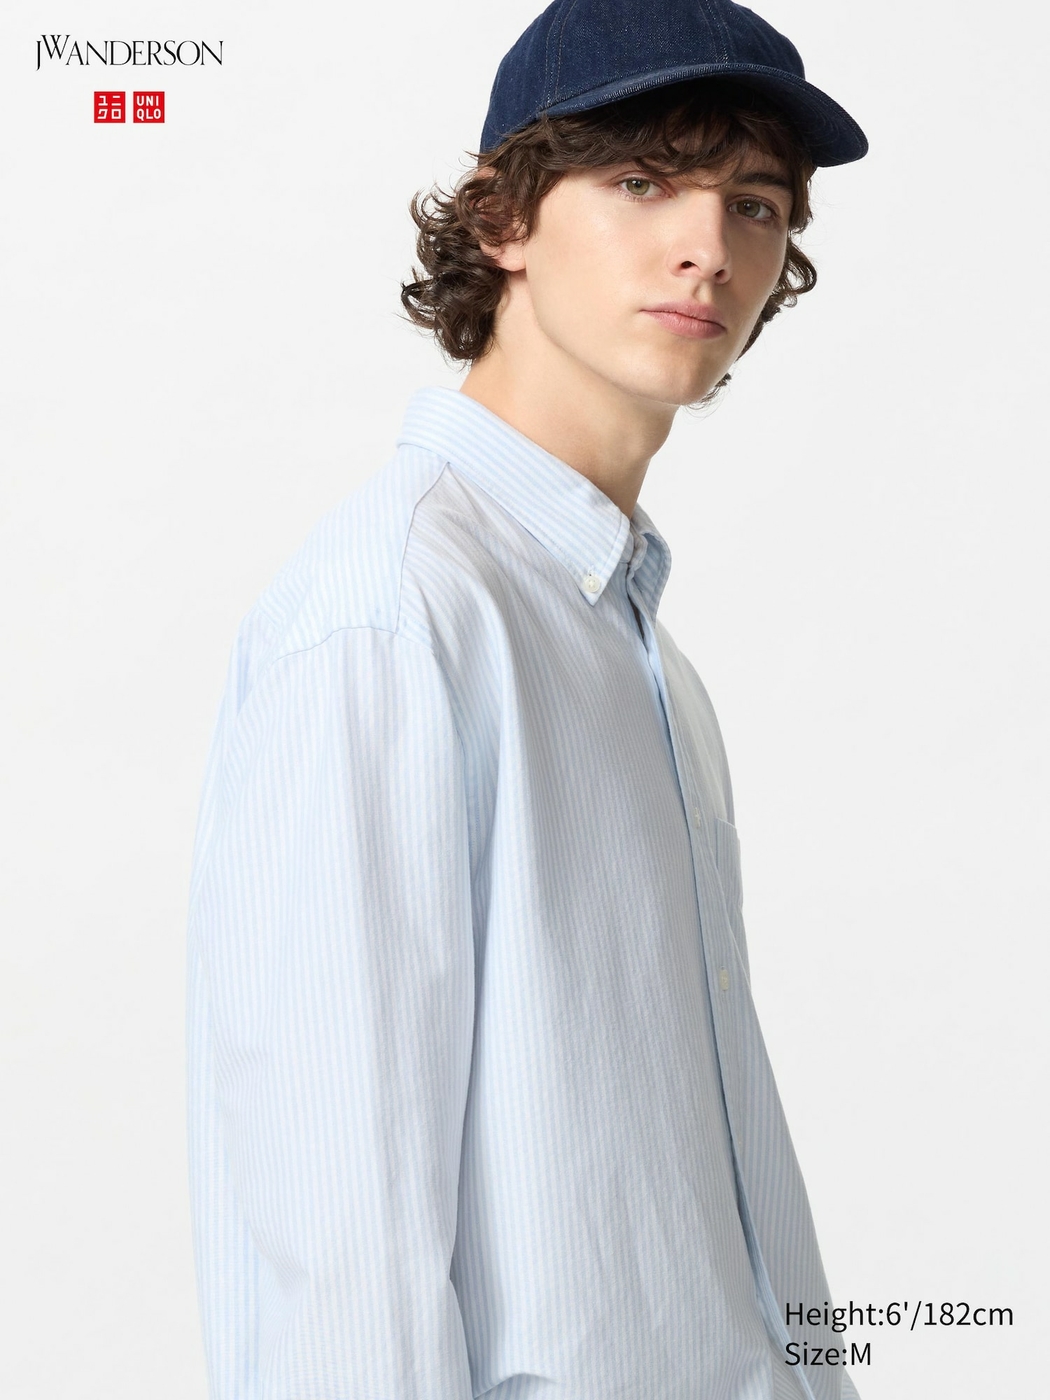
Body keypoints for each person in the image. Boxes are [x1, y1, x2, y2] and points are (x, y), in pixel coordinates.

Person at [186, 2, 868, 1397]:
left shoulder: (635, 647)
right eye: (642, 181)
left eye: (753, 203)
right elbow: (332, 1240)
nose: (709, 244)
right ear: (503, 219)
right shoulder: (394, 617)